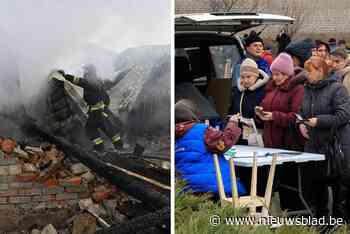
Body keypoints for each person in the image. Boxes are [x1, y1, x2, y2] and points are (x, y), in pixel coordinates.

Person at [299, 56, 350, 220]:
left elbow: (344, 116)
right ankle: (321, 222)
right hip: (313, 145)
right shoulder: (307, 89)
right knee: (316, 187)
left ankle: (339, 223)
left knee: (338, 189)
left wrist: (319, 121)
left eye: (310, 71)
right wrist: (301, 122)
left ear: (321, 71)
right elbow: (303, 111)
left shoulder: (337, 89)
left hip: (334, 145)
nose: (307, 75)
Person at [175, 99, 246, 196]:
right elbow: (224, 143)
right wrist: (233, 123)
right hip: (214, 187)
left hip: (187, 188)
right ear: (193, 114)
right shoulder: (203, 130)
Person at [58, 64, 124, 153]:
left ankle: (100, 148)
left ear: (89, 71)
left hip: (95, 112)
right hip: (100, 111)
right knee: (108, 128)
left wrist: (65, 76)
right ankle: (119, 145)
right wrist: (104, 106)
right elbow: (106, 97)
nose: (84, 71)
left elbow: (78, 81)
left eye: (85, 70)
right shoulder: (97, 81)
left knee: (90, 129)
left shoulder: (90, 81)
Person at [257, 53, 304, 149]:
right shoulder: (271, 88)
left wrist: (274, 116)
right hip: (269, 144)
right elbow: (265, 109)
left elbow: (296, 117)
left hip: (287, 145)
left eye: (277, 75)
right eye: (273, 74)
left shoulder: (297, 89)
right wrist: (259, 114)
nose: (274, 78)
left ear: (287, 75)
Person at [229, 58, 269, 145]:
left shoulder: (264, 91)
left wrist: (255, 119)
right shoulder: (237, 91)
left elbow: (265, 116)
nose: (245, 80)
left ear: (256, 76)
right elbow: (231, 110)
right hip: (239, 136)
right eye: (243, 77)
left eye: (248, 77)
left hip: (257, 136)